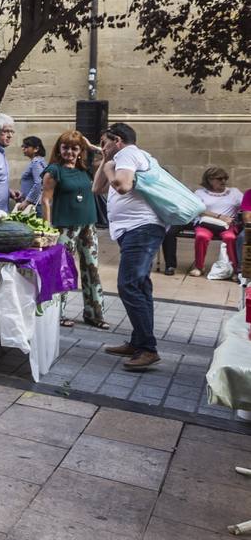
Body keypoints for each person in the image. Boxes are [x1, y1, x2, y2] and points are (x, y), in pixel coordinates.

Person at [94, 123, 165, 370]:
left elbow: (122, 186)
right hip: (134, 231)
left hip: (141, 229)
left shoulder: (128, 153)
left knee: (129, 284)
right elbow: (97, 188)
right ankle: (139, 342)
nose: (102, 147)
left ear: (119, 140)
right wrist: (106, 160)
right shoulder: (122, 157)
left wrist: (112, 166)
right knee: (140, 285)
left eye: (105, 142)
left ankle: (147, 348)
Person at [42, 131, 106, 329]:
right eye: (65, 147)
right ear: (59, 149)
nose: (69, 151)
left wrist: (91, 146)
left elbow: (106, 158)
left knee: (92, 268)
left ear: (80, 150)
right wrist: (47, 228)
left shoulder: (85, 170)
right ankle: (57, 314)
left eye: (74, 148)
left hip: (88, 224)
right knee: (62, 269)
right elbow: (46, 199)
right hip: (64, 227)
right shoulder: (54, 170)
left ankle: (95, 314)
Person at [161, 167, 242, 277]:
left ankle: (235, 269)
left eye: (225, 178)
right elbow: (198, 210)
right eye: (219, 178)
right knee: (201, 236)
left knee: (230, 238)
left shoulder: (234, 192)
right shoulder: (200, 193)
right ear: (209, 180)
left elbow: (245, 206)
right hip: (206, 224)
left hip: (227, 225)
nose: (223, 181)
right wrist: (220, 216)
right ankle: (199, 266)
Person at [17, 135, 47, 211]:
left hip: (35, 205)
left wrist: (27, 201)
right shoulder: (40, 161)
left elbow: (39, 183)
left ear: (36, 149)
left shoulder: (36, 162)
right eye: (22, 146)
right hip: (37, 203)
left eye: (26, 146)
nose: (23, 148)